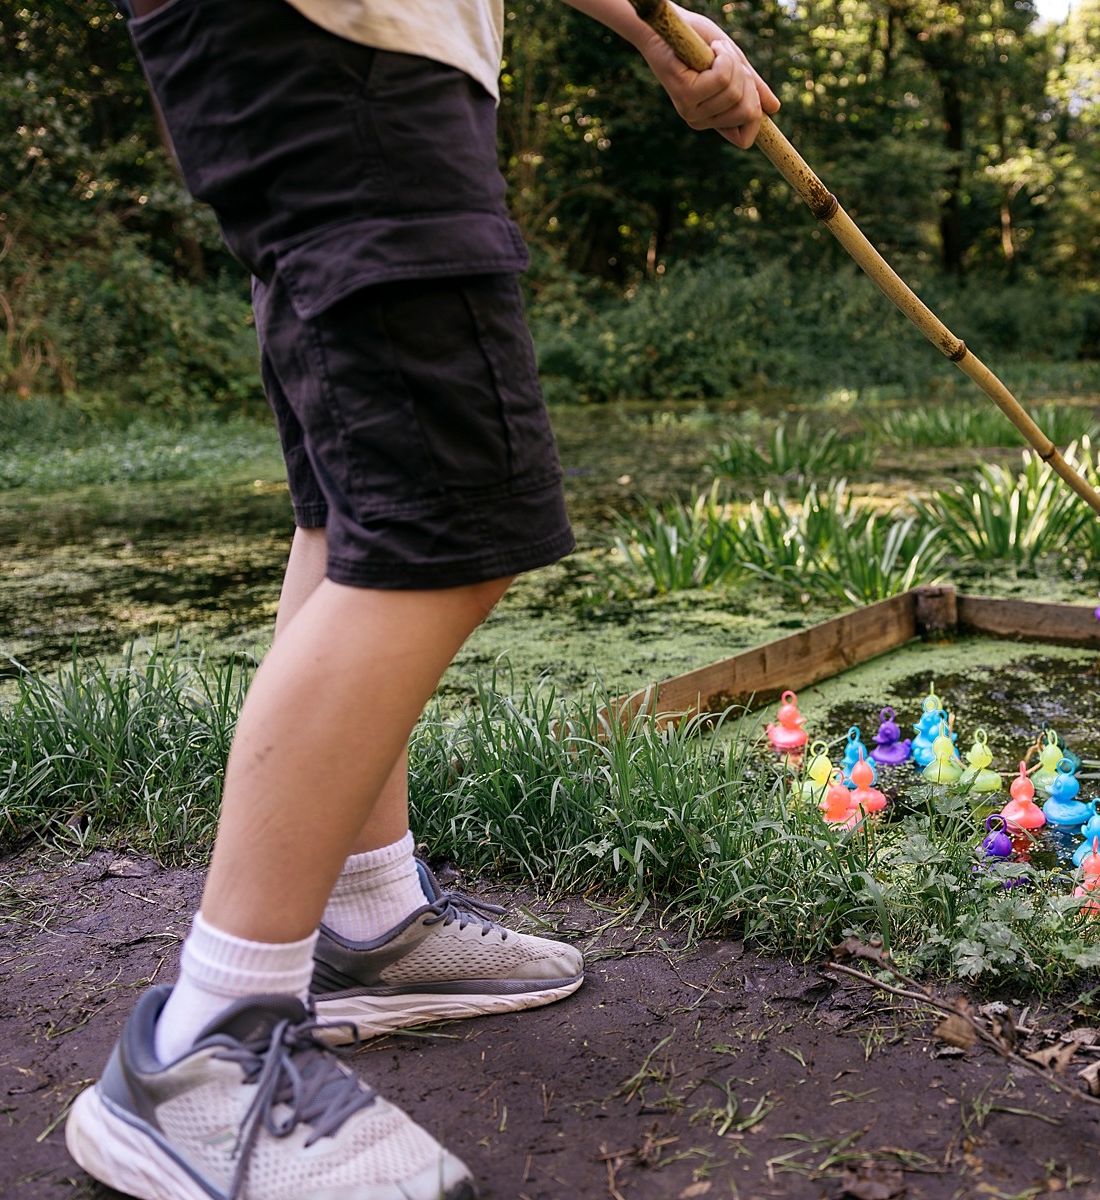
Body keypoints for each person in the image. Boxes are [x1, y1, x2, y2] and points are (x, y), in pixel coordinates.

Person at [63, 2, 778, 1196]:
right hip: (346, 45)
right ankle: (209, 1046)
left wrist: (652, 27)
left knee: (354, 509)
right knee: (446, 512)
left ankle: (366, 918)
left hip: (319, 48)